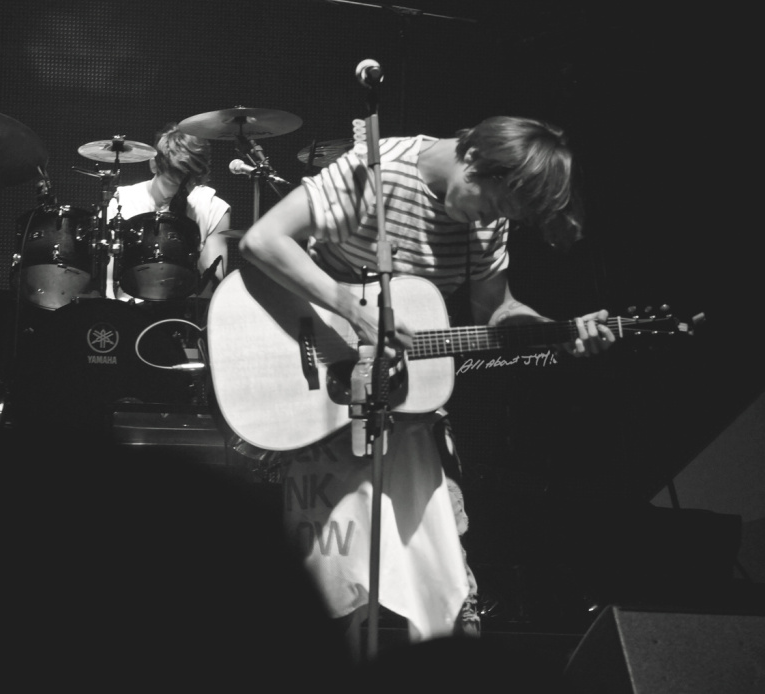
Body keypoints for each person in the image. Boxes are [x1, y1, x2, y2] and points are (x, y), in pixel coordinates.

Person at [237, 115, 614, 651]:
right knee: (325, 590)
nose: (491, 220)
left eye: (503, 216)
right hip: (324, 396)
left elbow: (495, 310)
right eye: (492, 205)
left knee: (447, 589)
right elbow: (262, 239)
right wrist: (353, 309)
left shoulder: (488, 220)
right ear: (475, 160)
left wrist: (555, 332)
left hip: (406, 412)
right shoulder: (378, 169)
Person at [105, 122, 231, 301]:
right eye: (172, 182)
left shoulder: (213, 208)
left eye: (189, 183)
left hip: (185, 310)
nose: (181, 191)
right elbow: (107, 280)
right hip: (129, 308)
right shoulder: (123, 201)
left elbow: (214, 283)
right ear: (153, 165)